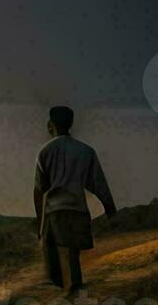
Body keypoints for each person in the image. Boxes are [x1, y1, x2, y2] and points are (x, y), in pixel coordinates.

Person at [33, 106, 116, 293]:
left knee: (55, 250)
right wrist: (110, 207)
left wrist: (40, 222)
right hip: (78, 208)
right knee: (72, 249)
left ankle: (67, 287)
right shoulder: (85, 151)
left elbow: (39, 190)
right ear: (70, 124)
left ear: (51, 125)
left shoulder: (45, 151)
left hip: (55, 210)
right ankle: (73, 282)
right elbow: (98, 182)